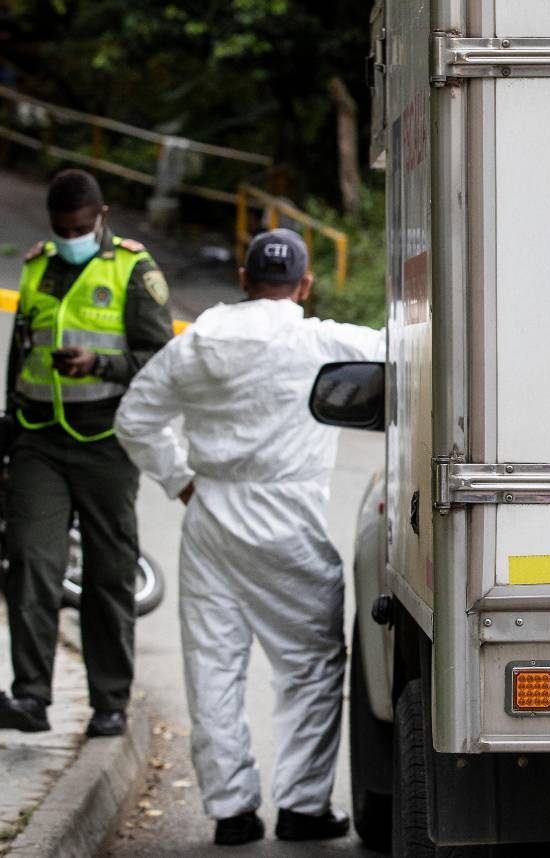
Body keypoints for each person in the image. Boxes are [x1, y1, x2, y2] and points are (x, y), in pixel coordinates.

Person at [114, 228, 384, 846]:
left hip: (211, 514)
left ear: (242, 279)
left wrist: (180, 479)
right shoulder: (320, 339)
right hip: (287, 515)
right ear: (306, 285)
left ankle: (232, 811)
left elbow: (135, 418)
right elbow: (404, 351)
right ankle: (303, 807)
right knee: (311, 666)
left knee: (213, 665)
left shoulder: (200, 339)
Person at [0, 168, 173, 737]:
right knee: (29, 559)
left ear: (100, 217)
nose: (68, 235)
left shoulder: (132, 269)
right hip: (39, 438)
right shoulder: (37, 266)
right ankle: (29, 696)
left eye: (78, 226)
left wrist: (100, 365)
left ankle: (110, 703)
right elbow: (20, 349)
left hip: (105, 443)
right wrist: (9, 426)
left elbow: (158, 362)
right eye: (59, 227)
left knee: (108, 574)